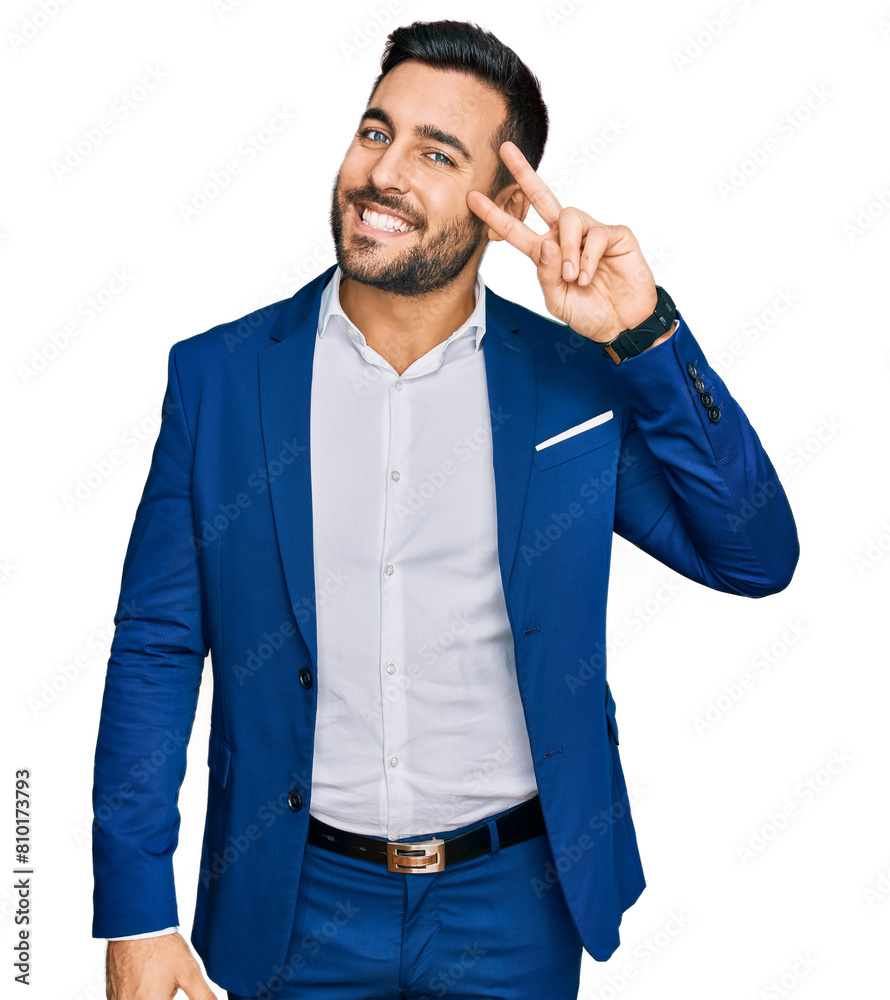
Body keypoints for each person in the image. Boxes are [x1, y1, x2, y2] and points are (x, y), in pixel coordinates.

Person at [92, 18, 799, 1000]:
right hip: (292, 902)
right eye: (375, 132)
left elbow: (753, 555)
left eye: (435, 152)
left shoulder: (571, 387)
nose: (382, 171)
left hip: (512, 902)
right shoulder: (217, 379)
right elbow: (158, 644)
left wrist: (643, 336)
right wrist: (135, 904)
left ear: (504, 203)